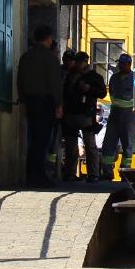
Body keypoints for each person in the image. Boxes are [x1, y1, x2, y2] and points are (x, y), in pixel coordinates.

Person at [17, 25, 63, 186]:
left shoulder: (26, 57)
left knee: (33, 138)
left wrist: (23, 100)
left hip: (30, 102)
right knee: (42, 140)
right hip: (45, 102)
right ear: (48, 38)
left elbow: (19, 81)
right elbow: (55, 83)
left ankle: (30, 174)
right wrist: (59, 104)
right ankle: (39, 176)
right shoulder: (50, 58)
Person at [61, 51, 106, 181]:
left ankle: (93, 175)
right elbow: (64, 93)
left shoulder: (94, 77)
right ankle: (70, 174)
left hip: (86, 115)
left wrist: (89, 89)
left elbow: (102, 93)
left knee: (90, 145)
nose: (79, 64)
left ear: (86, 62)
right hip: (71, 114)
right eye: (78, 61)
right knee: (71, 146)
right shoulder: (70, 75)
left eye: (82, 61)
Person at [101, 52, 135, 179]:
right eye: (119, 64)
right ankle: (107, 173)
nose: (120, 66)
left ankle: (125, 173)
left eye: (123, 64)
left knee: (128, 145)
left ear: (129, 64)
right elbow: (111, 93)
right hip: (115, 114)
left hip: (129, 116)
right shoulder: (114, 78)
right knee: (109, 143)